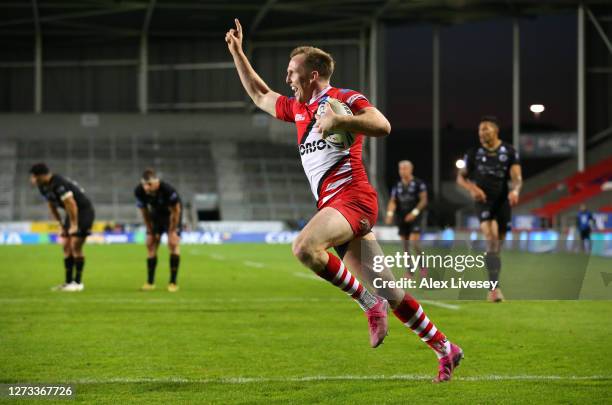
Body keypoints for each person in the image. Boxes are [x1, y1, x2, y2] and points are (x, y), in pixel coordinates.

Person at [226, 18, 462, 382]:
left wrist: (339, 122)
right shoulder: (299, 109)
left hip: (354, 199)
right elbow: (260, 94)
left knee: (304, 248)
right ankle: (445, 348)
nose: (287, 78)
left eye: (292, 72)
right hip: (335, 207)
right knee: (391, 288)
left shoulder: (343, 100)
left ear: (314, 73)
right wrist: (239, 54)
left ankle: (369, 304)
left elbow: (382, 125)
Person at [457, 116, 522, 303]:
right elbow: (461, 178)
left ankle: (493, 282)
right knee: (491, 238)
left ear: (495, 130)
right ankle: (494, 289)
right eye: (479, 130)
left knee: (497, 247)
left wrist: (515, 190)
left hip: (502, 201)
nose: (481, 133)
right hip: (483, 200)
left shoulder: (509, 151)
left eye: (485, 129)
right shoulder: (474, 153)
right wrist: (473, 188)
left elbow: (517, 177)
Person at [29, 163, 95, 292]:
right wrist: (60, 225)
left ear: (41, 176)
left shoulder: (58, 183)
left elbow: (72, 203)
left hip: (83, 212)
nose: (32, 180)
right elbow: (51, 205)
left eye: (33, 177)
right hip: (70, 214)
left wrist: (74, 225)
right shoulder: (42, 186)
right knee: (65, 245)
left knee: (75, 245)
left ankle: (78, 283)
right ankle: (68, 282)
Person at [134, 169, 182, 293]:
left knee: (173, 244)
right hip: (156, 216)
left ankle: (173, 282)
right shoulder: (139, 191)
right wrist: (150, 231)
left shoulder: (168, 190)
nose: (146, 188)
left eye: (149, 184)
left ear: (157, 182)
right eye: (144, 184)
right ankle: (150, 282)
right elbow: (144, 212)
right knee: (150, 244)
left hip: (172, 216)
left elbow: (176, 211)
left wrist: (172, 231)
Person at [385, 160, 428, 277]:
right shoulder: (397, 185)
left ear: (411, 169)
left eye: (405, 168)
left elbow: (424, 200)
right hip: (401, 217)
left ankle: (423, 266)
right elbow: (393, 201)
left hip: (416, 218)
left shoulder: (419, 183)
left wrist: (414, 212)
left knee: (414, 242)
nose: (402, 171)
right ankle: (409, 270)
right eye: (401, 169)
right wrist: (390, 214)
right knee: (405, 246)